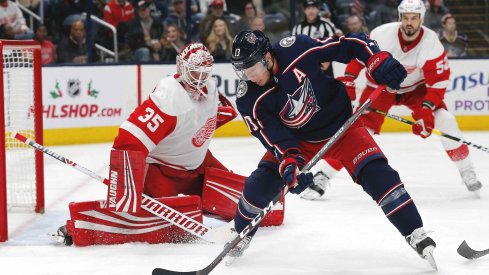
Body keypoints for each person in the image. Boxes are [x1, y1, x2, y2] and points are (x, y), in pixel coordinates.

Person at [226, 29, 437, 270]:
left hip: (343, 126)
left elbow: (350, 43)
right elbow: (274, 138)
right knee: (259, 185)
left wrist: (375, 58)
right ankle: (240, 234)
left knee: (379, 175)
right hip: (299, 141)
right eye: (241, 69)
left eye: (251, 67)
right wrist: (289, 164)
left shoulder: (296, 49)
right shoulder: (248, 99)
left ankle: (415, 233)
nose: (248, 75)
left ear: (267, 56)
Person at [50, 43, 283, 246]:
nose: (200, 80)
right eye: (194, 73)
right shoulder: (168, 97)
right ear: (181, 68)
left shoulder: (210, 87)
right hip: (163, 173)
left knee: (260, 203)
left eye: (204, 73)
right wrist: (125, 193)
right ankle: (81, 227)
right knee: (152, 221)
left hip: (199, 164)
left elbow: (210, 117)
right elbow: (128, 140)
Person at [314, 0, 482, 198]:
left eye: (414, 18)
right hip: (381, 87)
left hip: (415, 89)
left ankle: (466, 170)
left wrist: (426, 109)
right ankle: (323, 175)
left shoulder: (431, 43)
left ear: (422, 18)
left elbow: (437, 83)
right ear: (400, 17)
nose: (409, 23)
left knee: (446, 120)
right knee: (357, 129)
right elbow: (359, 55)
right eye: (406, 18)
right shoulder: (382, 34)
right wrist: (349, 78)